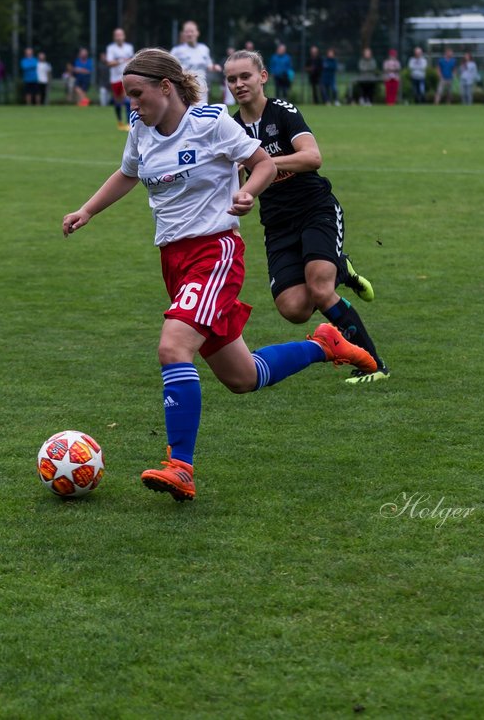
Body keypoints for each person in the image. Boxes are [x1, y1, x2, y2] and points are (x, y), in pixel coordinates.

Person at [60, 48, 379, 501]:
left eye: (138, 94)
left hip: (215, 254)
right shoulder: (140, 130)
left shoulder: (211, 122)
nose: (132, 103)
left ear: (165, 88)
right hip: (174, 261)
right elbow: (128, 173)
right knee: (243, 377)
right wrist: (87, 210)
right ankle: (323, 345)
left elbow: (264, 162)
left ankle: (181, 466)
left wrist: (248, 192)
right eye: (128, 95)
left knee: (173, 347)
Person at [225, 48, 386, 384]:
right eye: (231, 79)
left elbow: (313, 157)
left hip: (315, 209)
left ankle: (374, 365)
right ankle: (342, 267)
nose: (238, 84)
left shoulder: (282, 112)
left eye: (245, 76)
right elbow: (234, 181)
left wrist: (262, 163)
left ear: (262, 77)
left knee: (320, 287)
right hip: (277, 222)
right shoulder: (229, 126)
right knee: (294, 308)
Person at [170, 20, 220, 102]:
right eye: (187, 32)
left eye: (192, 31)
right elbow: (169, 66)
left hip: (202, 88)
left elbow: (209, 66)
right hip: (186, 88)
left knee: (202, 112)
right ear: (183, 34)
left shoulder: (204, 49)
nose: (189, 34)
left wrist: (215, 67)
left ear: (197, 33)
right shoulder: (177, 51)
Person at [103, 27, 135, 130]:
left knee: (126, 99)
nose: (119, 37)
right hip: (114, 78)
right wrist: (121, 60)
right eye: (117, 35)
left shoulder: (129, 47)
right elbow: (109, 63)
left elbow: (132, 60)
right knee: (117, 102)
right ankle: (120, 122)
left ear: (124, 36)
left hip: (125, 77)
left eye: (120, 35)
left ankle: (129, 123)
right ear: (114, 37)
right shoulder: (111, 48)